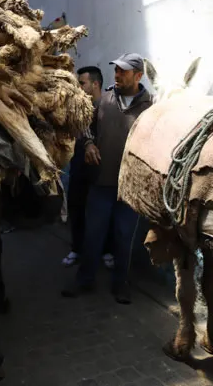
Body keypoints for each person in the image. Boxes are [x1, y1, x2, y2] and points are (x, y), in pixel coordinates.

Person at [62, 53, 151, 304]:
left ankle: (121, 284)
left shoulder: (150, 107)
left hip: (130, 188)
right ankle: (84, 280)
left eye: (123, 71)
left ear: (138, 75)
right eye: (116, 70)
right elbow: (84, 125)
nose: (117, 75)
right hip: (101, 183)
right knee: (93, 235)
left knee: (124, 238)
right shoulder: (105, 100)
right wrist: (89, 144)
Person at [61, 66, 114, 269]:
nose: (79, 87)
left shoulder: (109, 107)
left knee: (104, 212)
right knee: (77, 208)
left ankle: (106, 250)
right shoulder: (76, 107)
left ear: (95, 84)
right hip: (78, 167)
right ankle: (77, 249)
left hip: (102, 169)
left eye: (82, 83)